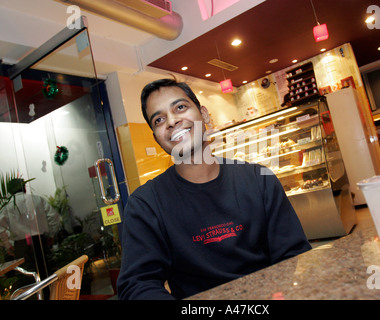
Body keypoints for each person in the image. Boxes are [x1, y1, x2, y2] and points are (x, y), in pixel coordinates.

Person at [117, 78, 311, 300]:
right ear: (157, 137)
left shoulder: (260, 180)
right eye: (159, 119)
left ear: (204, 114)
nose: (172, 121)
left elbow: (294, 255)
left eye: (180, 107)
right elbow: (137, 284)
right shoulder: (146, 204)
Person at [0, 179, 60, 279]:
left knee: (27, 276)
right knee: (45, 270)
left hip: (21, 244)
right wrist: (51, 234)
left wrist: (7, 244)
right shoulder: (37, 199)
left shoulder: (8, 206)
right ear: (24, 188)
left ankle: (36, 294)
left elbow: (0, 227)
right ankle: (49, 293)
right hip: (39, 240)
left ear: (10, 191)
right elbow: (54, 216)